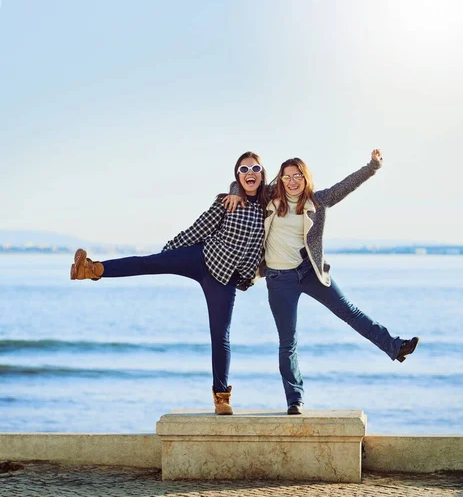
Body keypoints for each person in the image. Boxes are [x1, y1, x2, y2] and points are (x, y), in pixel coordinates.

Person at [70, 151, 267, 415]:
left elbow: (289, 189)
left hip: (225, 277)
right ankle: (92, 269)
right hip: (202, 256)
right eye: (243, 170)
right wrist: (168, 254)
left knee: (220, 335)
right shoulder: (227, 202)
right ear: (237, 176)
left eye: (255, 168)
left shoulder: (270, 205)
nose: (249, 173)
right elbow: (199, 229)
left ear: (262, 173)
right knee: (149, 262)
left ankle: (221, 397)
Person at [224, 150, 419, 415]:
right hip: (279, 280)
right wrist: (234, 189)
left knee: (350, 312)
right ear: (280, 180)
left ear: (306, 179)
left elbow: (346, 185)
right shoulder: (269, 198)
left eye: (297, 176)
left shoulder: (319, 200)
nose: (292, 182)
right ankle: (295, 400)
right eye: (287, 177)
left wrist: (373, 166)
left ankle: (395, 347)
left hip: (309, 272)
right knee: (288, 342)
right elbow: (248, 181)